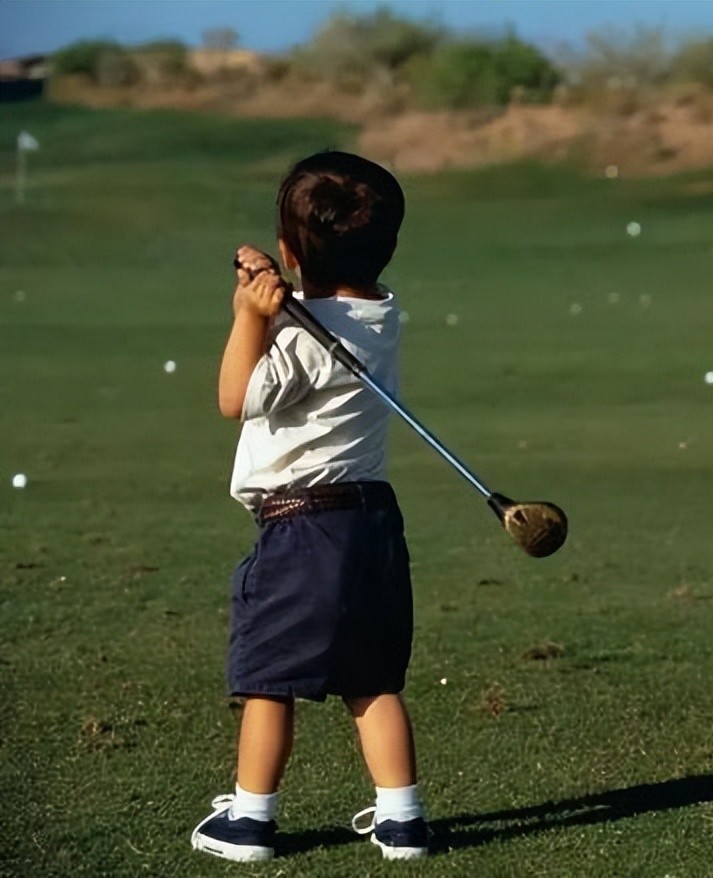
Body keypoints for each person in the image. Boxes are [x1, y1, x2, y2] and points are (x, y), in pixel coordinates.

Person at [190, 151, 430, 862]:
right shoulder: (381, 313)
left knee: (269, 680)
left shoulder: (297, 337)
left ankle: (251, 820)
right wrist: (284, 286)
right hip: (370, 522)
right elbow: (330, 298)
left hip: (301, 526)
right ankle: (402, 819)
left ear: (292, 252)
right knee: (372, 681)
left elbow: (235, 397)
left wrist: (248, 316)